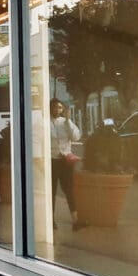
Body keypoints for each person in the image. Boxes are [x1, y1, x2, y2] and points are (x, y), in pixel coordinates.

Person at [49, 97, 84, 230]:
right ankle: (51, 220)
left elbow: (76, 137)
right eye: (54, 107)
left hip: (65, 161)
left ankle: (76, 221)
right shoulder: (45, 122)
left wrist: (68, 121)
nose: (57, 110)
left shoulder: (65, 122)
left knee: (69, 190)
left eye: (59, 107)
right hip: (52, 160)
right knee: (51, 191)